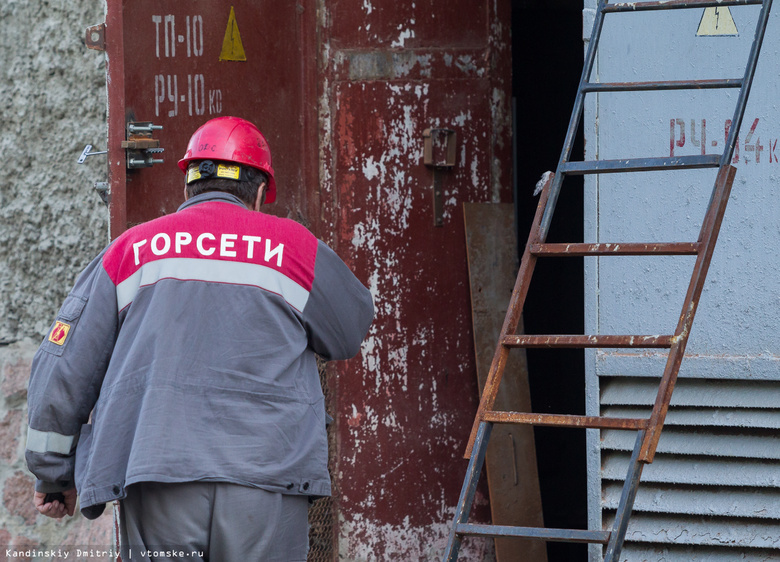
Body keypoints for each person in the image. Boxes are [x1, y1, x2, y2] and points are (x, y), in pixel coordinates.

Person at [25, 116, 374, 561]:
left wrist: (54, 476)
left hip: (156, 475)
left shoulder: (130, 251)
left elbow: (62, 367)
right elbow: (350, 329)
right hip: (266, 481)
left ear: (188, 186)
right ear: (261, 191)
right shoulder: (293, 249)